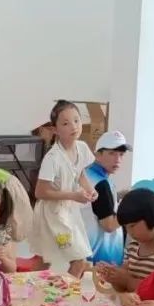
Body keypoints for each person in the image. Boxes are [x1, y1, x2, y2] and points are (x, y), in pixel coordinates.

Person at [29, 100, 97, 278]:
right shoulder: (52, 158)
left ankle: (31, 287)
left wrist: (90, 189)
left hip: (68, 212)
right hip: (53, 215)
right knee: (78, 260)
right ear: (55, 129)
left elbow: (80, 173)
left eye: (76, 120)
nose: (73, 126)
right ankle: (65, 291)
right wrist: (73, 195)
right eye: (65, 123)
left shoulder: (82, 148)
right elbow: (40, 192)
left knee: (44, 259)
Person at [94, 188, 154, 292]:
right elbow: (123, 288)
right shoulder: (134, 246)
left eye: (132, 226)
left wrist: (128, 281)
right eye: (126, 227)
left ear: (151, 215)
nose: (129, 232)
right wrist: (114, 276)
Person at [83, 131, 130, 265]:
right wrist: (130, 210)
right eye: (112, 153)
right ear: (98, 154)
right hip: (100, 257)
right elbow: (109, 225)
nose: (117, 159)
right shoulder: (101, 183)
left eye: (121, 154)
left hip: (85, 253)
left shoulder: (87, 174)